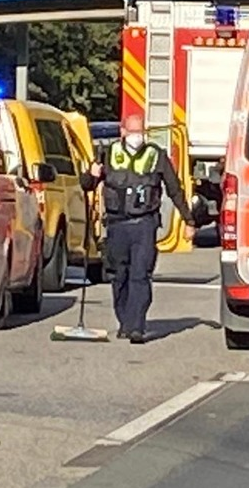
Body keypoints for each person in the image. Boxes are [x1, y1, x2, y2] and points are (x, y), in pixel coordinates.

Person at [81, 114, 196, 344]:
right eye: (133, 131)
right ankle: (125, 321)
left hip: (144, 224)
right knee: (119, 275)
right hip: (117, 224)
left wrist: (189, 220)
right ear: (123, 131)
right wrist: (91, 174)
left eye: (140, 132)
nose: (137, 136)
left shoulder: (156, 156)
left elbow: (174, 189)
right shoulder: (107, 154)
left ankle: (137, 326)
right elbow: (86, 185)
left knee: (140, 275)